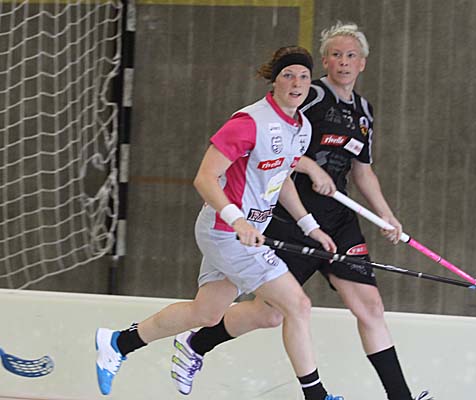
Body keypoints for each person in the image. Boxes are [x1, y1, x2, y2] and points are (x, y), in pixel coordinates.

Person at [170, 22, 432, 400]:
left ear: (363, 63)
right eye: (336, 55)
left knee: (371, 307)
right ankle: (198, 342)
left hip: (338, 221)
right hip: (294, 216)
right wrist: (310, 168)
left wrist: (386, 215)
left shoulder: (363, 111)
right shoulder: (309, 94)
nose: (344, 62)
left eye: (351, 55)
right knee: (270, 313)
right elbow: (277, 143)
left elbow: (363, 171)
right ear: (325, 61)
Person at [94, 45, 344, 400]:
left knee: (208, 313)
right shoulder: (248, 123)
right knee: (297, 305)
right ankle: (316, 396)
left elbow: (281, 177)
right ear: (274, 81)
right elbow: (205, 178)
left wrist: (310, 226)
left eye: (304, 76)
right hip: (227, 232)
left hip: (245, 232)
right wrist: (237, 220)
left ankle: (119, 343)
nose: (297, 83)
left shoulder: (301, 127)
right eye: (288, 75)